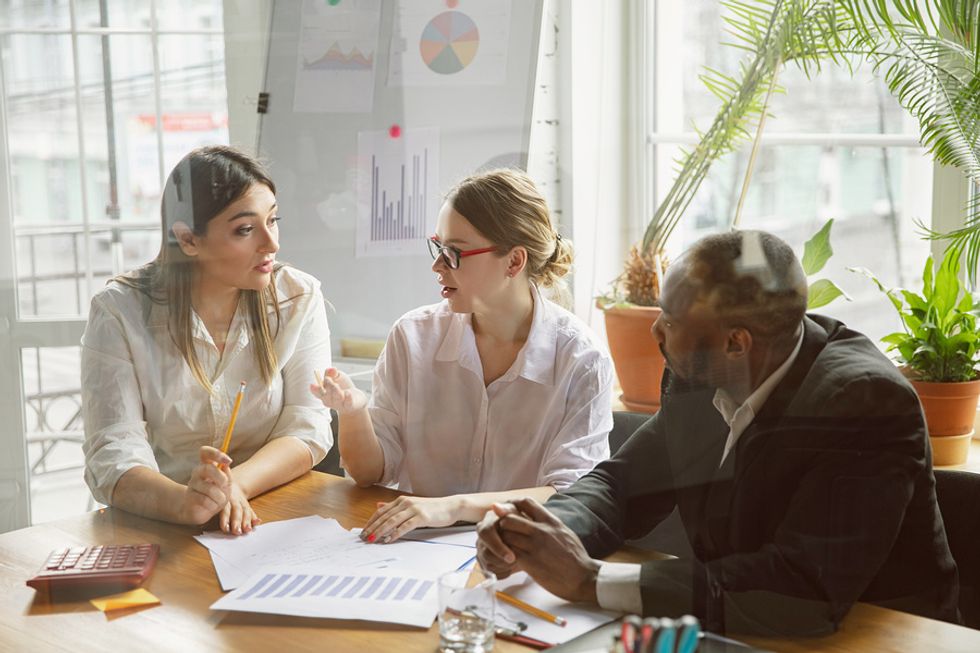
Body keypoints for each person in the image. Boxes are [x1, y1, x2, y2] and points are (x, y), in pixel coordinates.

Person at [476, 230, 959, 635]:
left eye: (671, 319)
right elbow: (621, 485)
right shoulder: (703, 372)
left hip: (879, 636)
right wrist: (537, 534)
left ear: (735, 343)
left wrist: (590, 580)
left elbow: (801, 588)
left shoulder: (863, 403)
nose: (655, 332)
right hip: (735, 626)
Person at [310, 169, 613, 543]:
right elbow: (370, 473)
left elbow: (569, 496)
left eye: (454, 253)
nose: (437, 266)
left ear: (514, 262)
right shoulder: (411, 336)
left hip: (518, 553)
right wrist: (353, 412)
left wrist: (452, 507)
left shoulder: (581, 359)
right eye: (438, 248)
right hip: (410, 551)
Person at [82, 145, 333, 534]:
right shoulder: (120, 311)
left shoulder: (297, 297)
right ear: (188, 240)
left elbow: (307, 426)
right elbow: (112, 449)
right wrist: (185, 503)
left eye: (273, 220)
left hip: (274, 510)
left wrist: (235, 486)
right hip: (167, 517)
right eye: (246, 230)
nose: (271, 244)